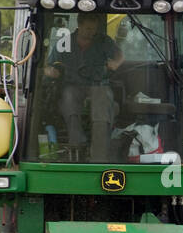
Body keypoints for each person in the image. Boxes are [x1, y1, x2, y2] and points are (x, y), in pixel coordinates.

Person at [45, 15, 124, 159]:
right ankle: (77, 144)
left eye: (93, 29)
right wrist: (51, 72)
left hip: (99, 84)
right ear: (79, 25)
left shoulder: (104, 41)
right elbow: (49, 65)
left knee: (103, 99)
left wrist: (115, 63)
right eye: (88, 28)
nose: (91, 32)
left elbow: (119, 55)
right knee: (68, 97)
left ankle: (99, 155)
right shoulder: (65, 42)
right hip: (73, 85)